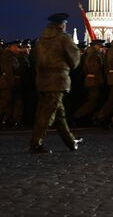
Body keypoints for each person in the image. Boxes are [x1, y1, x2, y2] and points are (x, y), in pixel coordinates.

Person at [29, 13, 82, 154]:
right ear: (62, 24)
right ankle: (36, 143)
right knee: (47, 114)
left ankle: (70, 142)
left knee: (59, 114)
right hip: (58, 80)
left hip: (42, 80)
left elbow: (34, 59)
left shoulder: (40, 40)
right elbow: (74, 60)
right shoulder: (63, 39)